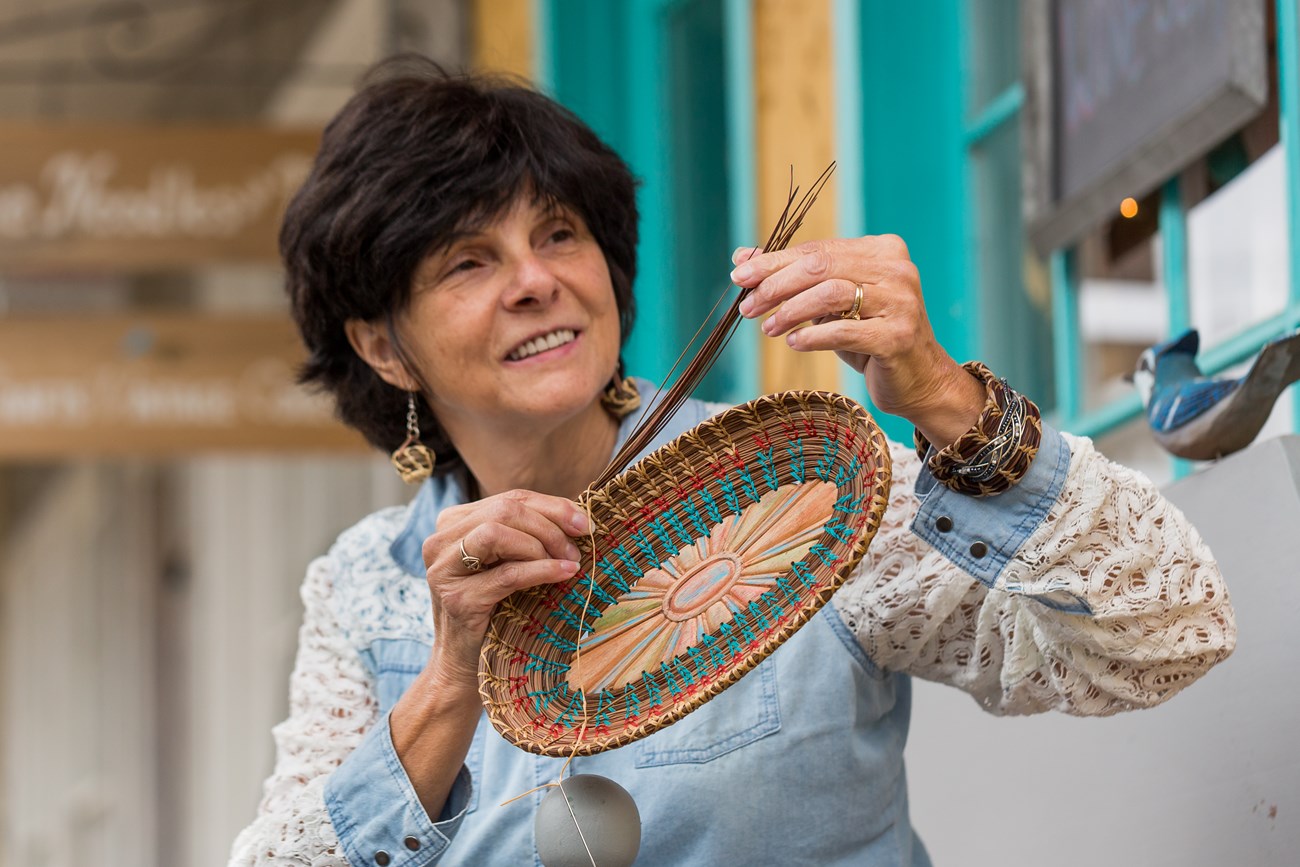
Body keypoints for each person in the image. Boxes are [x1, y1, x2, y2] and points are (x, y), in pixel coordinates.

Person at [229, 56, 1235, 867]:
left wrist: (946, 402)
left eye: (559, 233)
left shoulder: (797, 484)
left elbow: (1167, 636)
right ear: (382, 347)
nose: (535, 281)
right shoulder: (375, 587)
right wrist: (451, 682)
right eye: (466, 261)